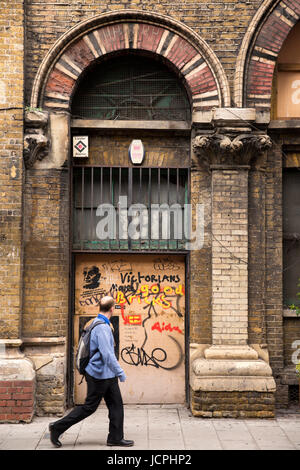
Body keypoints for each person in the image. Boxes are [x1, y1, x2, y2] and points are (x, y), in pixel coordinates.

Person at [49, 295, 134, 448]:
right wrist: (120, 372)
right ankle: (57, 427)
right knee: (89, 407)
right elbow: (107, 354)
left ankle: (115, 438)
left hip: (107, 374)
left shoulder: (99, 323)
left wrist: (115, 373)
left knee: (116, 405)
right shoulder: (101, 327)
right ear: (112, 309)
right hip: (98, 375)